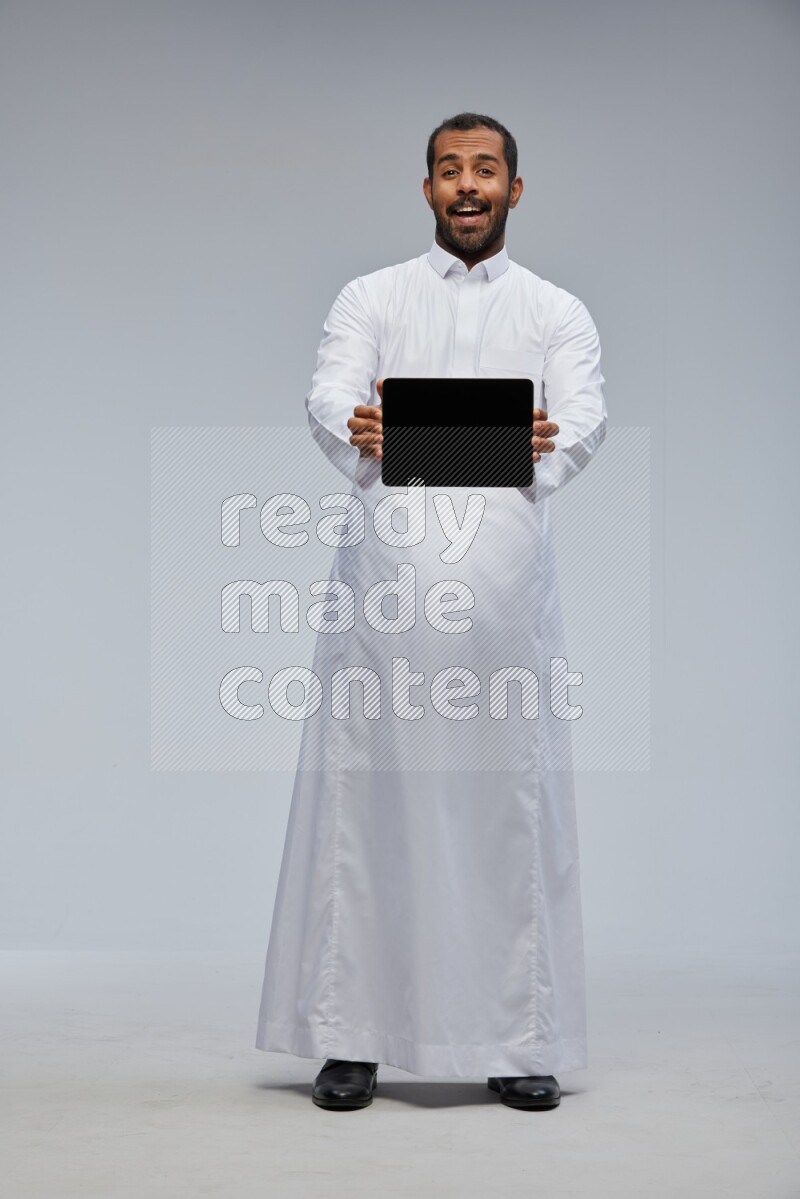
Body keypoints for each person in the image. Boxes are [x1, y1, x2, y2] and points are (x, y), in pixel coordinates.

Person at [255, 112, 607, 1111]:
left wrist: (416, 429)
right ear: (424, 189)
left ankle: (516, 1034)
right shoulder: (371, 297)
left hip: (502, 598)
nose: (466, 185)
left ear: (513, 189)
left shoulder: (555, 311)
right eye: (448, 169)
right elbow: (334, 401)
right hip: (385, 590)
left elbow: (573, 427)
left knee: (507, 806)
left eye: (484, 169)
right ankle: (348, 1035)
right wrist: (475, 432)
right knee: (365, 808)